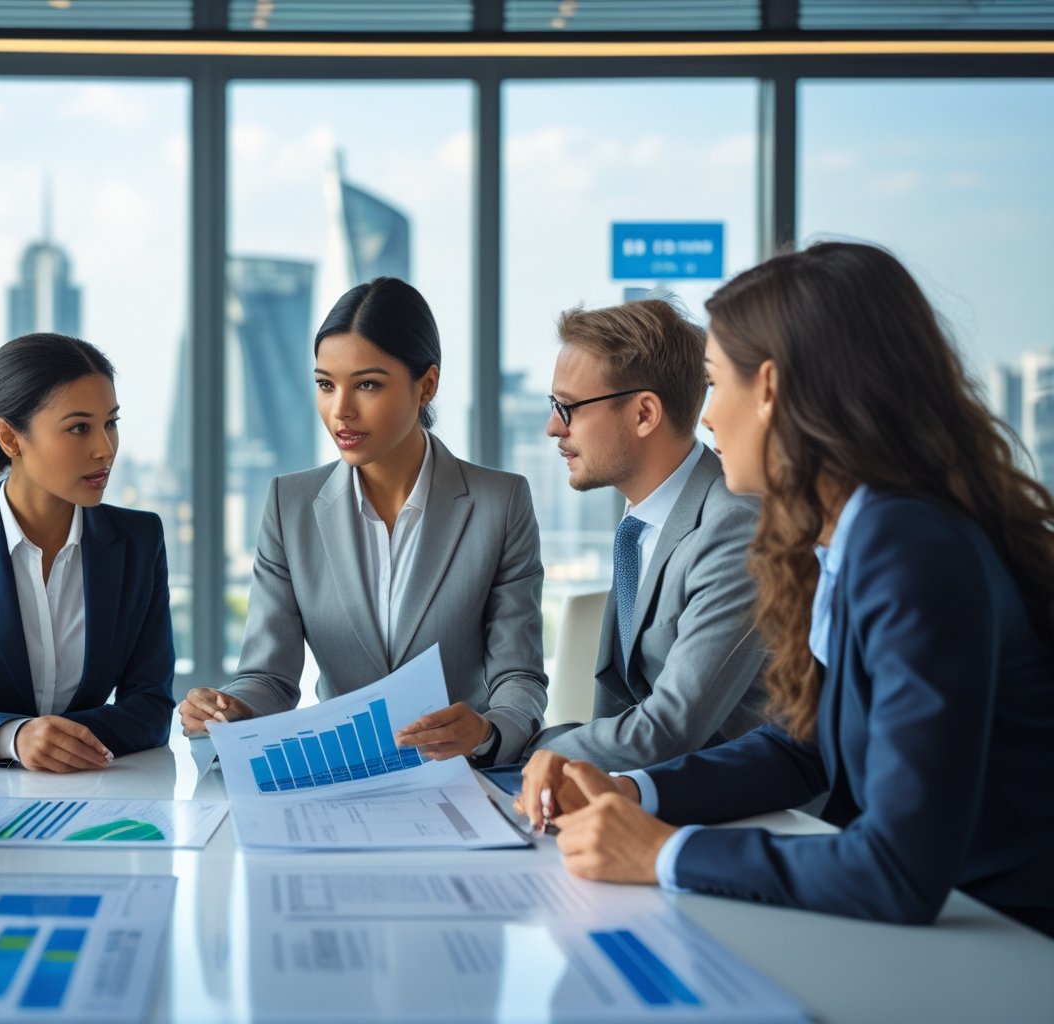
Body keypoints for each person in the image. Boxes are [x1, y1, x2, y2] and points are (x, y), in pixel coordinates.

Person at [515, 242, 1054, 934]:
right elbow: (802, 748)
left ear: (768, 388)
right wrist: (634, 791)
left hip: (1002, 936)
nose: (705, 417)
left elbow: (897, 870)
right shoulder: (854, 533)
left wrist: (664, 853)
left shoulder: (910, 546)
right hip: (940, 920)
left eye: (715, 384)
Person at [181, 277, 547, 765]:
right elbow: (269, 676)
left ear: (427, 385)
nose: (340, 411)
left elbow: (518, 678)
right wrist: (230, 708)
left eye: (368, 385)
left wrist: (486, 731)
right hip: (340, 770)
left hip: (462, 773)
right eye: (325, 385)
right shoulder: (289, 505)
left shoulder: (499, 502)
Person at [0, 333, 176, 772]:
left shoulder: (139, 541)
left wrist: (62, 743)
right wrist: (17, 738)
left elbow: (152, 705)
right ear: (9, 437)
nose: (105, 448)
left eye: (111, 422)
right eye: (79, 427)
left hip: (105, 789)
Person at [518, 299, 766, 788]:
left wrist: (522, 751)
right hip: (639, 793)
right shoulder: (642, 521)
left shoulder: (734, 529)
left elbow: (668, 729)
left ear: (644, 413)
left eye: (566, 407)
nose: (553, 427)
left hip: (737, 814)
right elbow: (624, 701)